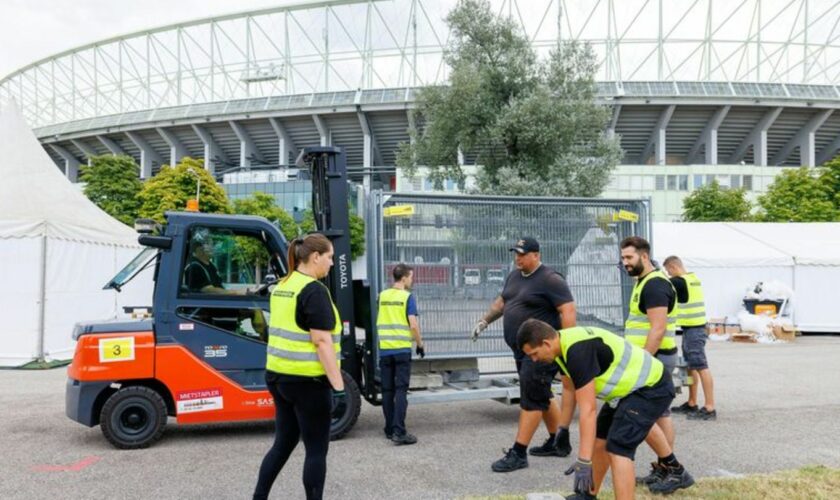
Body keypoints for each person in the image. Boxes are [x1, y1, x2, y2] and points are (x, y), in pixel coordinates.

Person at [517, 320, 694, 499]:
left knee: (618, 447)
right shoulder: (562, 348)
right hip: (627, 392)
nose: (534, 360)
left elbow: (588, 410)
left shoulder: (577, 351)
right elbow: (570, 389)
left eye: (534, 354)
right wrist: (563, 428)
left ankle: (673, 470)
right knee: (600, 439)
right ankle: (588, 495)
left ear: (546, 343)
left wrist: (583, 461)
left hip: (651, 386)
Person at [471, 237, 578, 473]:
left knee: (531, 399)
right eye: (515, 253)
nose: (517, 258)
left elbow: (568, 310)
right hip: (522, 351)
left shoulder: (551, 279)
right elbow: (502, 302)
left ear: (536, 255)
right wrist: (484, 321)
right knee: (542, 394)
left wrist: (568, 346)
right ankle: (558, 442)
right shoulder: (514, 276)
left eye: (522, 254)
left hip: (541, 352)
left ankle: (519, 453)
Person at [253, 234, 345, 500]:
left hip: (279, 377)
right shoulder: (314, 290)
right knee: (316, 450)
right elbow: (321, 341)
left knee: (283, 444)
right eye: (329, 257)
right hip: (308, 382)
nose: (331, 264)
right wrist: (338, 386)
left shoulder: (283, 285)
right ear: (315, 257)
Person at [619, 236, 680, 485]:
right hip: (653, 358)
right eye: (623, 258)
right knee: (659, 416)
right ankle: (665, 467)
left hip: (654, 359)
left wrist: (643, 361)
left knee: (644, 416)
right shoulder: (644, 281)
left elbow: (657, 328)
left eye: (629, 257)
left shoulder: (654, 285)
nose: (625, 263)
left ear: (644, 256)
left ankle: (669, 468)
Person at [663, 256, 716, 421]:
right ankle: (692, 402)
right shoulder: (693, 278)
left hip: (694, 330)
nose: (668, 274)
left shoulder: (679, 281)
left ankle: (709, 407)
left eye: (668, 270)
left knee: (701, 366)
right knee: (692, 366)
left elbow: (661, 282)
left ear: (673, 267)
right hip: (693, 329)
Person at [377, 263, 425, 445]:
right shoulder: (407, 297)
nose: (412, 280)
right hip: (402, 351)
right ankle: (399, 431)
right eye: (411, 277)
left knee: (387, 391)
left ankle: (389, 429)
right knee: (401, 391)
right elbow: (413, 324)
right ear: (404, 278)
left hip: (385, 351)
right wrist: (420, 344)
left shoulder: (382, 296)